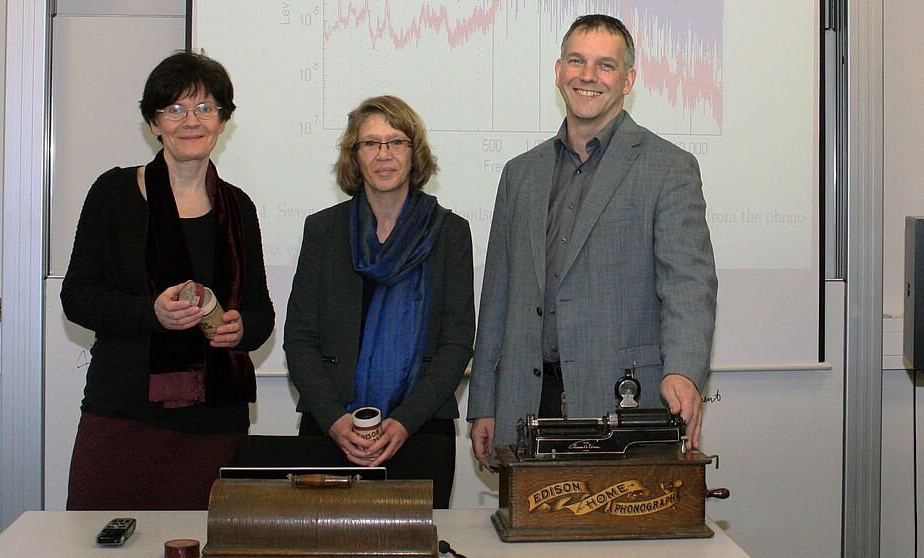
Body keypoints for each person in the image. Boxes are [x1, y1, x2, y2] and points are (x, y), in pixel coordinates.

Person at [468, 14, 718, 470]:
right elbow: (498, 294)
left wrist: (683, 370)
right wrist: (484, 399)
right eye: (576, 61)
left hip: (622, 403)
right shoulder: (519, 174)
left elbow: (689, 284)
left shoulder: (668, 168)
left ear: (628, 80)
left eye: (605, 65)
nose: (587, 76)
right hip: (527, 401)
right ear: (558, 70)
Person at [61, 51, 275, 509]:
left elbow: (261, 313)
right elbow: (77, 297)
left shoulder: (240, 207)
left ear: (223, 121)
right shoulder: (114, 193)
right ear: (153, 122)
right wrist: (150, 312)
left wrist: (242, 328)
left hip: (216, 421)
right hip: (124, 413)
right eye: (174, 109)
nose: (190, 121)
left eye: (204, 108)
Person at [284, 95, 475, 508]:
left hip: (421, 431)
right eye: (370, 143)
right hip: (331, 432)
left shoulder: (450, 233)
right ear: (355, 156)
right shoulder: (323, 230)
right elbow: (299, 338)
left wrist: (405, 422)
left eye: (396, 142)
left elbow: (457, 342)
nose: (383, 154)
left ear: (414, 152)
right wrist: (335, 421)